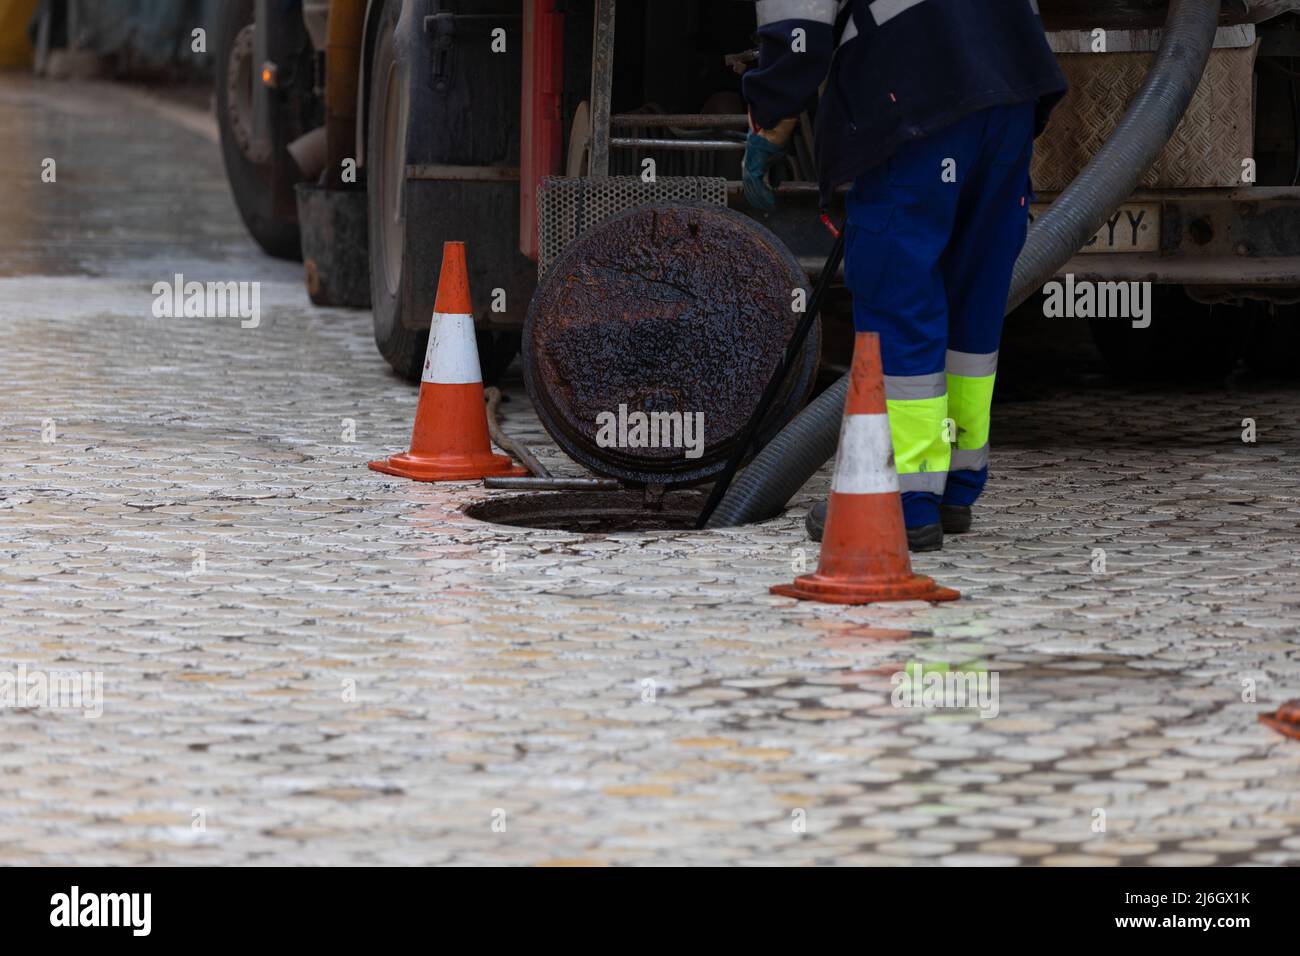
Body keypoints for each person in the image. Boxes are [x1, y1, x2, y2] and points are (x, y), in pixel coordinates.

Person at [742, 0, 1067, 551]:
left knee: (901, 295)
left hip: (915, 95)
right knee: (974, 298)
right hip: (1009, 87)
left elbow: (799, 31)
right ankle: (952, 488)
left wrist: (770, 123)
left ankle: (901, 495)